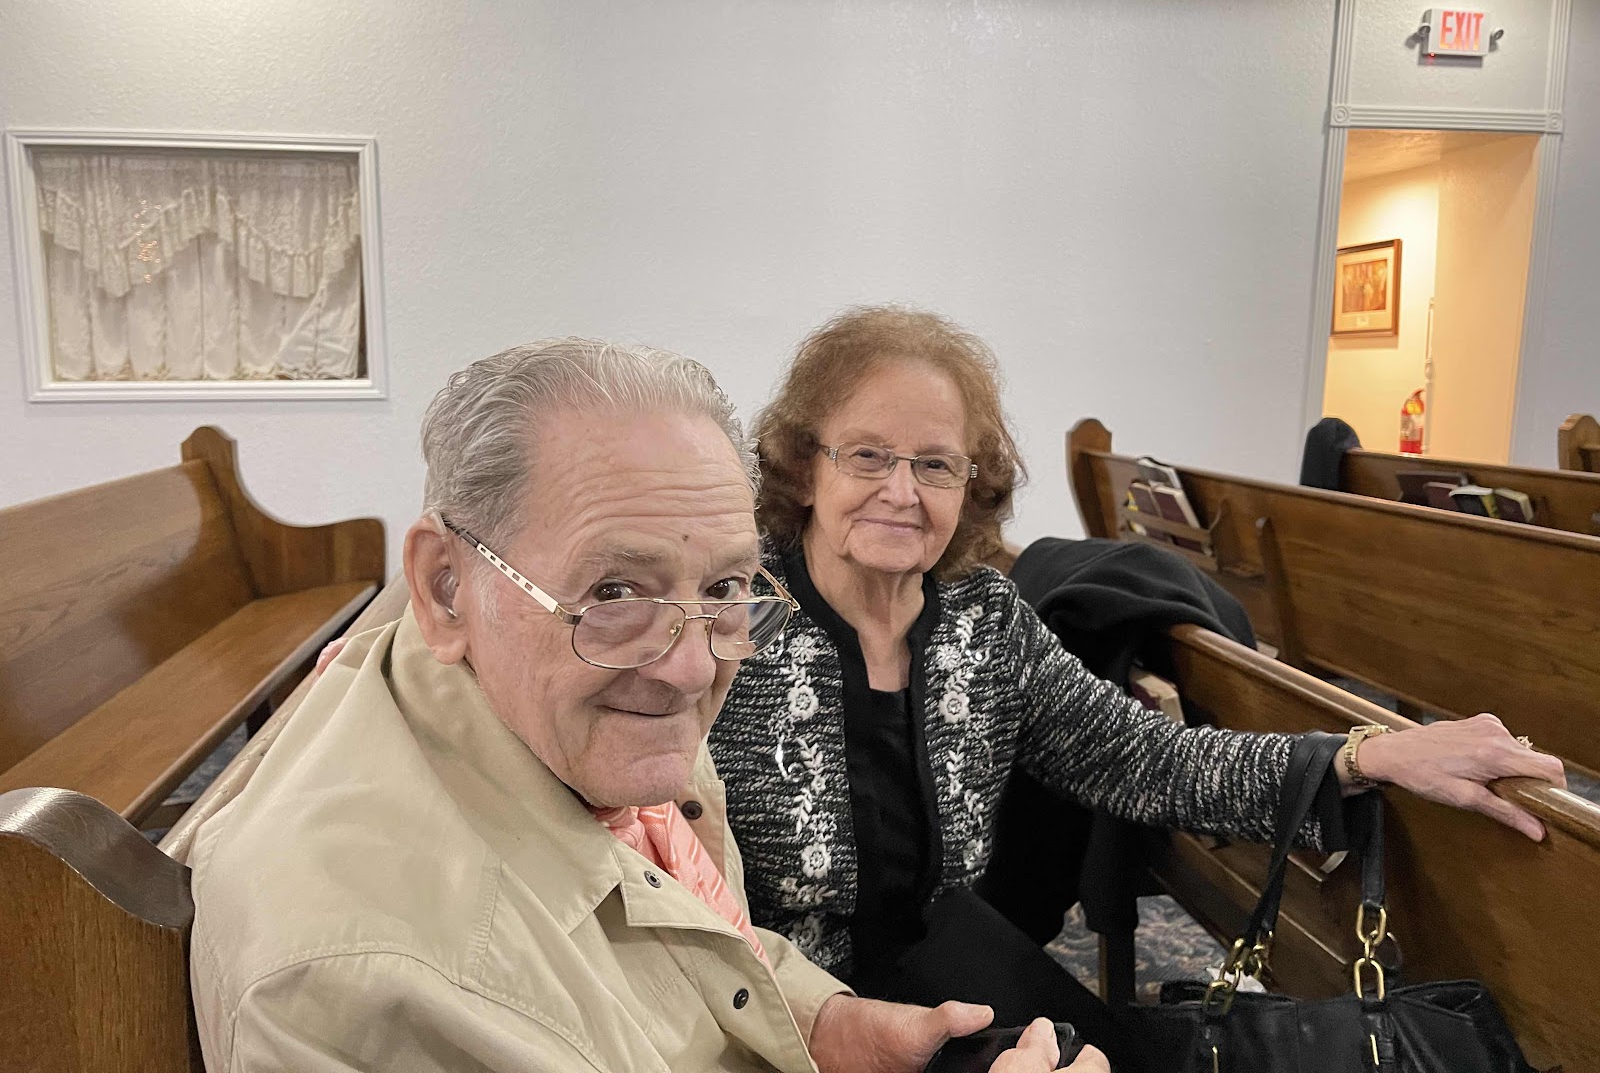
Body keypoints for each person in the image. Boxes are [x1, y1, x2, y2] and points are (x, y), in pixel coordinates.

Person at [189, 338, 1108, 1073]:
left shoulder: (546, 711)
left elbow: (667, 939)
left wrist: (826, 1023)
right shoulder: (378, 984)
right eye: (616, 591)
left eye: (726, 588)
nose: (691, 668)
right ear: (444, 587)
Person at [707, 305, 1567, 1056]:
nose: (903, 491)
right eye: (868, 456)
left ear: (971, 485)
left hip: (945, 992)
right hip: (767, 1017)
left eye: (936, 464)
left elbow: (1147, 760)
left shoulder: (983, 621)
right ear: (804, 465)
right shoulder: (729, 620)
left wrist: (1366, 756)